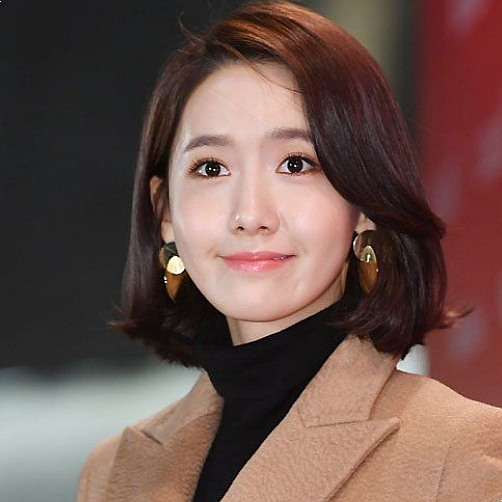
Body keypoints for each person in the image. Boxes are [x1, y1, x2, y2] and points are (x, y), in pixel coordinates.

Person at [76, 1, 502, 501]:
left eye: (296, 164)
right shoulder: (115, 471)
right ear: (164, 210)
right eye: (211, 168)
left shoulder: (461, 456)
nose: (250, 213)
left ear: (363, 204)